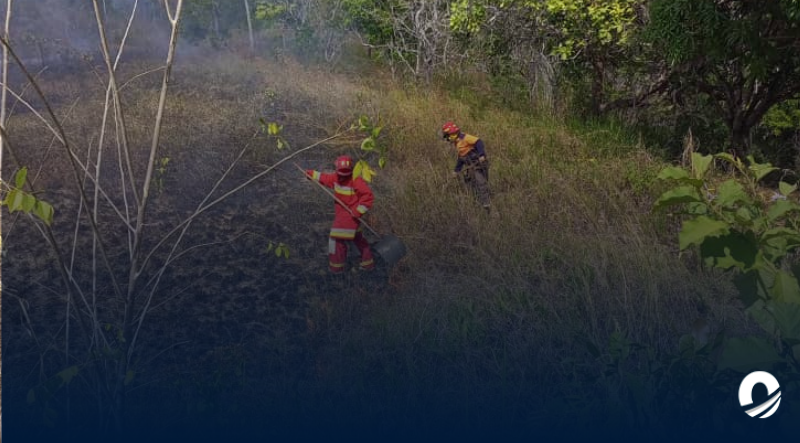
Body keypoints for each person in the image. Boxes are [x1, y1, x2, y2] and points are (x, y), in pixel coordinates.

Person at [305, 155, 376, 273]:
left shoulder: (355, 180)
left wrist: (358, 211)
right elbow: (326, 178)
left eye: (345, 172)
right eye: (341, 172)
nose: (343, 175)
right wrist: (312, 174)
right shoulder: (336, 177)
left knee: (335, 240)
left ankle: (336, 269)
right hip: (349, 217)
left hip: (349, 216)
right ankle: (368, 264)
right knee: (358, 238)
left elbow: (368, 196)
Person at [441, 121, 491, 210]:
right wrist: (456, 170)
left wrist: (481, 155)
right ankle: (477, 203)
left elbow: (478, 142)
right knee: (471, 183)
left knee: (481, 182)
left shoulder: (464, 137)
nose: (447, 139)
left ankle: (486, 204)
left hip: (478, 164)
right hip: (470, 165)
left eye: (447, 136)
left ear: (452, 134)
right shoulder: (457, 143)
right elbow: (461, 158)